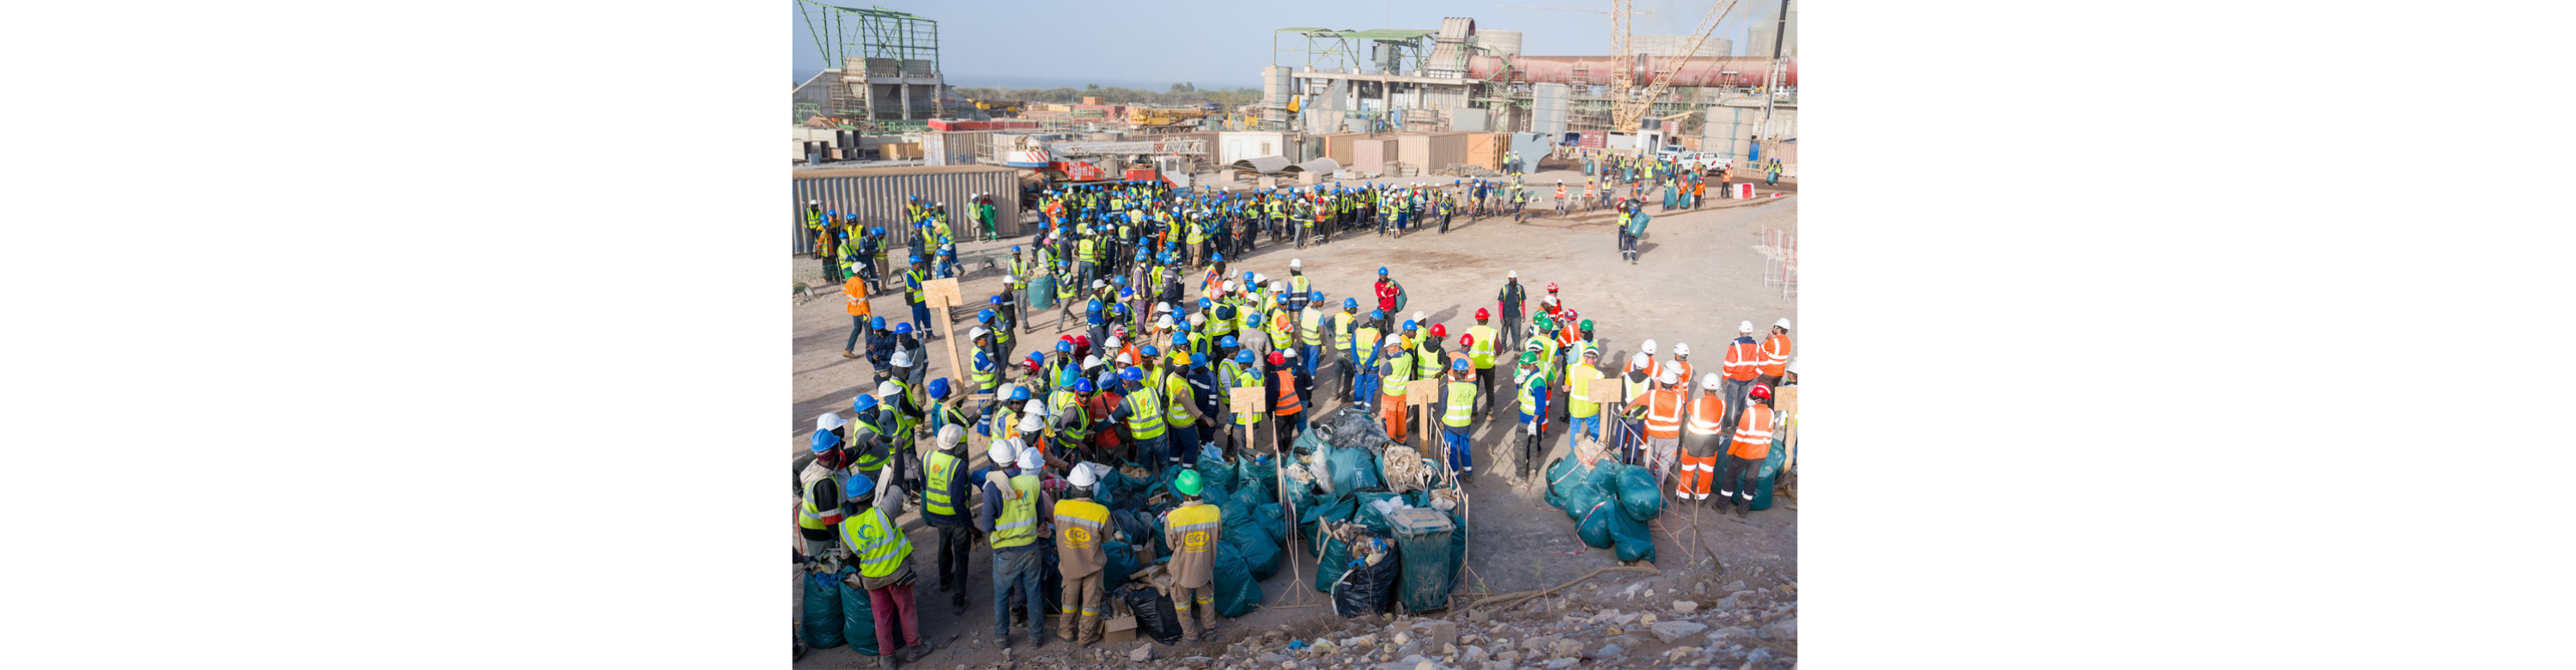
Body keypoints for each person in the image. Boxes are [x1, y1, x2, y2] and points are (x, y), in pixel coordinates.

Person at [841, 471, 938, 667]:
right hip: (899, 576)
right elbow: (897, 480)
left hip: (872, 580)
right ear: (872, 494)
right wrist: (899, 449)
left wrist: (865, 567)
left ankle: (888, 659)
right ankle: (914, 649)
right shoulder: (884, 510)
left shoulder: (845, 527)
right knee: (907, 611)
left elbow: (847, 558)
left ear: (850, 500)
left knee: (881, 619)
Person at [976, 442, 1051, 649]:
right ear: (1014, 460)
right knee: (1033, 592)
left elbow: (987, 525)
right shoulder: (1031, 482)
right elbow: (1040, 518)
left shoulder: (992, 487)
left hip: (1005, 552)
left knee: (1001, 595)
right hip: (1030, 547)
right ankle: (1036, 637)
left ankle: (1002, 638)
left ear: (993, 461)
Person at [1053, 463, 1112, 646]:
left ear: (1072, 487)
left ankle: (1066, 630)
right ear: (1092, 488)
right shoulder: (1101, 512)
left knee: (1069, 600)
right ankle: (1086, 636)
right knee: (1090, 603)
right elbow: (1106, 538)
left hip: (1069, 566)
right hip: (1092, 565)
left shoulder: (1060, 507)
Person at [1162, 471, 1224, 642]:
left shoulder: (1173, 518)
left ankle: (1191, 637)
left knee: (1182, 604)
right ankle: (1209, 631)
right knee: (1206, 599)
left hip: (1183, 570)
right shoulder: (1214, 512)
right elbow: (1217, 537)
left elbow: (1171, 545)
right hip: (1205, 567)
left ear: (1182, 493)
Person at [920, 424, 975, 614]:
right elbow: (958, 501)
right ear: (957, 443)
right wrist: (970, 525)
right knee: (961, 556)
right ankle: (959, 599)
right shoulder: (959, 466)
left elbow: (923, 483)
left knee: (943, 546)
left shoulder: (927, 457)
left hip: (936, 515)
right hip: (955, 518)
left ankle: (944, 581)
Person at [1716, 384, 1776, 518]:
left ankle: (1722, 506)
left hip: (1743, 453)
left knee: (1730, 478)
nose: (1750, 398)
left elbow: (1739, 436)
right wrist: (1764, 454)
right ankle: (1743, 510)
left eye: (1752, 396)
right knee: (1750, 482)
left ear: (1758, 399)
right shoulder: (1771, 414)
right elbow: (1768, 437)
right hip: (1759, 454)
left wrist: (1730, 452)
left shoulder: (1749, 413)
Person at [798, 416, 851, 561]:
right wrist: (846, 545)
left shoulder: (817, 466)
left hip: (811, 526)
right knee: (826, 565)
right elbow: (832, 523)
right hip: (818, 532)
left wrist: (868, 445)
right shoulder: (824, 484)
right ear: (834, 451)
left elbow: (847, 456)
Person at [1625, 368, 1686, 490]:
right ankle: (1658, 486)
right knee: (1665, 464)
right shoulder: (1679, 399)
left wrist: (1622, 413)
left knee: (1650, 461)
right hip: (1672, 437)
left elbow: (1634, 403)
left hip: (1654, 436)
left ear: (1661, 382)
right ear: (1673, 384)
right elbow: (1680, 418)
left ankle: (1646, 484)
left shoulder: (1652, 395)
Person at [1677, 374, 1729, 504]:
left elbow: (1688, 410)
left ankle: (1683, 495)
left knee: (1688, 468)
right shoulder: (1723, 404)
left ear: (1704, 388)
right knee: (1707, 470)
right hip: (1711, 442)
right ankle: (1701, 498)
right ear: (1716, 389)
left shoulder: (1696, 403)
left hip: (1694, 439)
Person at [1109, 366, 1169, 473]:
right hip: (1160, 437)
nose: (1123, 383)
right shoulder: (1153, 391)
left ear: (1130, 382)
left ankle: (1149, 489)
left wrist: (1097, 429)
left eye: (1124, 380)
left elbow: (1112, 419)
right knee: (1165, 468)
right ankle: (1166, 487)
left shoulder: (1128, 400)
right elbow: (1160, 410)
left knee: (1146, 471)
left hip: (1143, 441)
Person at [1437, 358, 1478, 481]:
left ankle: (1454, 477)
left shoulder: (1450, 387)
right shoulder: (1473, 388)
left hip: (1450, 426)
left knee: (1451, 451)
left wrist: (1442, 420)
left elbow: (1444, 407)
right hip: (1465, 425)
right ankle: (1468, 473)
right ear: (1466, 373)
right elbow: (1473, 403)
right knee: (1465, 449)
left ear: (1454, 373)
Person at [1510, 351, 1550, 478]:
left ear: (1533, 365)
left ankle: (1521, 474)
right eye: (1522, 366)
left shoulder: (1537, 382)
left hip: (1529, 420)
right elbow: (1523, 391)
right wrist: (1518, 383)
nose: (1523, 369)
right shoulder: (1528, 376)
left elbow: (1541, 405)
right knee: (1533, 445)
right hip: (1527, 417)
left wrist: (1533, 421)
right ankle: (1532, 469)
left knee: (1520, 448)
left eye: (1525, 367)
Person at [1719, 320, 1761, 435]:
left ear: (1740, 331)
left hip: (1734, 378)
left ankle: (1727, 425)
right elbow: (1764, 362)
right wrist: (1755, 374)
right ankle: (1738, 424)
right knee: (1741, 401)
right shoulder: (1757, 345)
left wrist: (1726, 377)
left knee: (1730, 400)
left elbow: (1729, 364)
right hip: (1748, 378)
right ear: (1750, 331)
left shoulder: (1735, 345)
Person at [1223, 350, 1264, 459]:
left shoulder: (1240, 380)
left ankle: (1242, 469)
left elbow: (1235, 404)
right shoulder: (1260, 377)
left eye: (1239, 362)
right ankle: (1250, 467)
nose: (1238, 364)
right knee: (1251, 447)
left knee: (1239, 448)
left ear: (1243, 364)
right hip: (1255, 420)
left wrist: (1230, 422)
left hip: (1240, 422)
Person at [1564, 348, 1606, 445]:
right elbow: (1601, 394)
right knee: (1595, 430)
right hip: (1591, 408)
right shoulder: (1599, 375)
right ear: (1596, 359)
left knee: (1575, 431)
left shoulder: (1573, 370)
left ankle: (1574, 453)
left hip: (1576, 407)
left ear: (1584, 357)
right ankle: (1591, 448)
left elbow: (1565, 389)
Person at [1267, 350, 1306, 453]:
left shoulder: (1273, 377)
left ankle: (1281, 453)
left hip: (1282, 410)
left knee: (1278, 432)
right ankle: (1284, 451)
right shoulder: (1288, 374)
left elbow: (1272, 396)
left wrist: (1270, 412)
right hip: (1296, 407)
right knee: (1288, 432)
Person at [1377, 332, 1413, 446]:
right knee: (1401, 420)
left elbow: (1381, 374)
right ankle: (1402, 440)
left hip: (1390, 398)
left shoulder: (1391, 364)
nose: (1387, 349)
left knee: (1389, 421)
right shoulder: (1408, 357)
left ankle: (1390, 443)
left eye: (1388, 347)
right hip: (1403, 395)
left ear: (1394, 346)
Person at [1464, 309, 1501, 417]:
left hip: (1473, 365)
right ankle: (1490, 413)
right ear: (1487, 319)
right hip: (1488, 365)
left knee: (1473, 389)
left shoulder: (1470, 331)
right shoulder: (1492, 332)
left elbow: (1465, 346)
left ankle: (1474, 414)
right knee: (1489, 389)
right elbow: (1499, 349)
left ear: (1476, 319)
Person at [1495, 271, 1527, 352]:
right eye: (1511, 279)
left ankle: (1516, 350)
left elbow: (1523, 302)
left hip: (1516, 316)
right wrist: (1501, 317)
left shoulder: (1520, 288)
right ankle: (1503, 348)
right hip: (1506, 316)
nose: (1513, 280)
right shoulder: (1504, 289)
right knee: (1504, 334)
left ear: (1516, 278)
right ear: (1509, 279)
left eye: (1514, 278)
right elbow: (1500, 304)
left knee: (1516, 334)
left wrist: (1523, 315)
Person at [1758, 318, 1792, 391]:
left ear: (1778, 329)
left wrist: (1768, 338)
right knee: (1772, 394)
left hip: (1768, 373)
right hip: (1779, 373)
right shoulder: (1788, 341)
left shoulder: (1772, 342)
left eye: (1774, 327)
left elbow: (1758, 349)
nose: (1773, 328)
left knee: (1762, 393)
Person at [903, 255, 933, 338]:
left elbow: (925, 282)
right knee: (917, 318)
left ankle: (929, 333)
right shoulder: (909, 274)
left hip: (924, 300)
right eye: (919, 263)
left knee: (927, 317)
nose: (921, 264)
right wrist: (920, 285)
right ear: (914, 265)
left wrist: (919, 285)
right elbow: (913, 286)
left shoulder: (920, 272)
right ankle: (920, 335)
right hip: (915, 302)